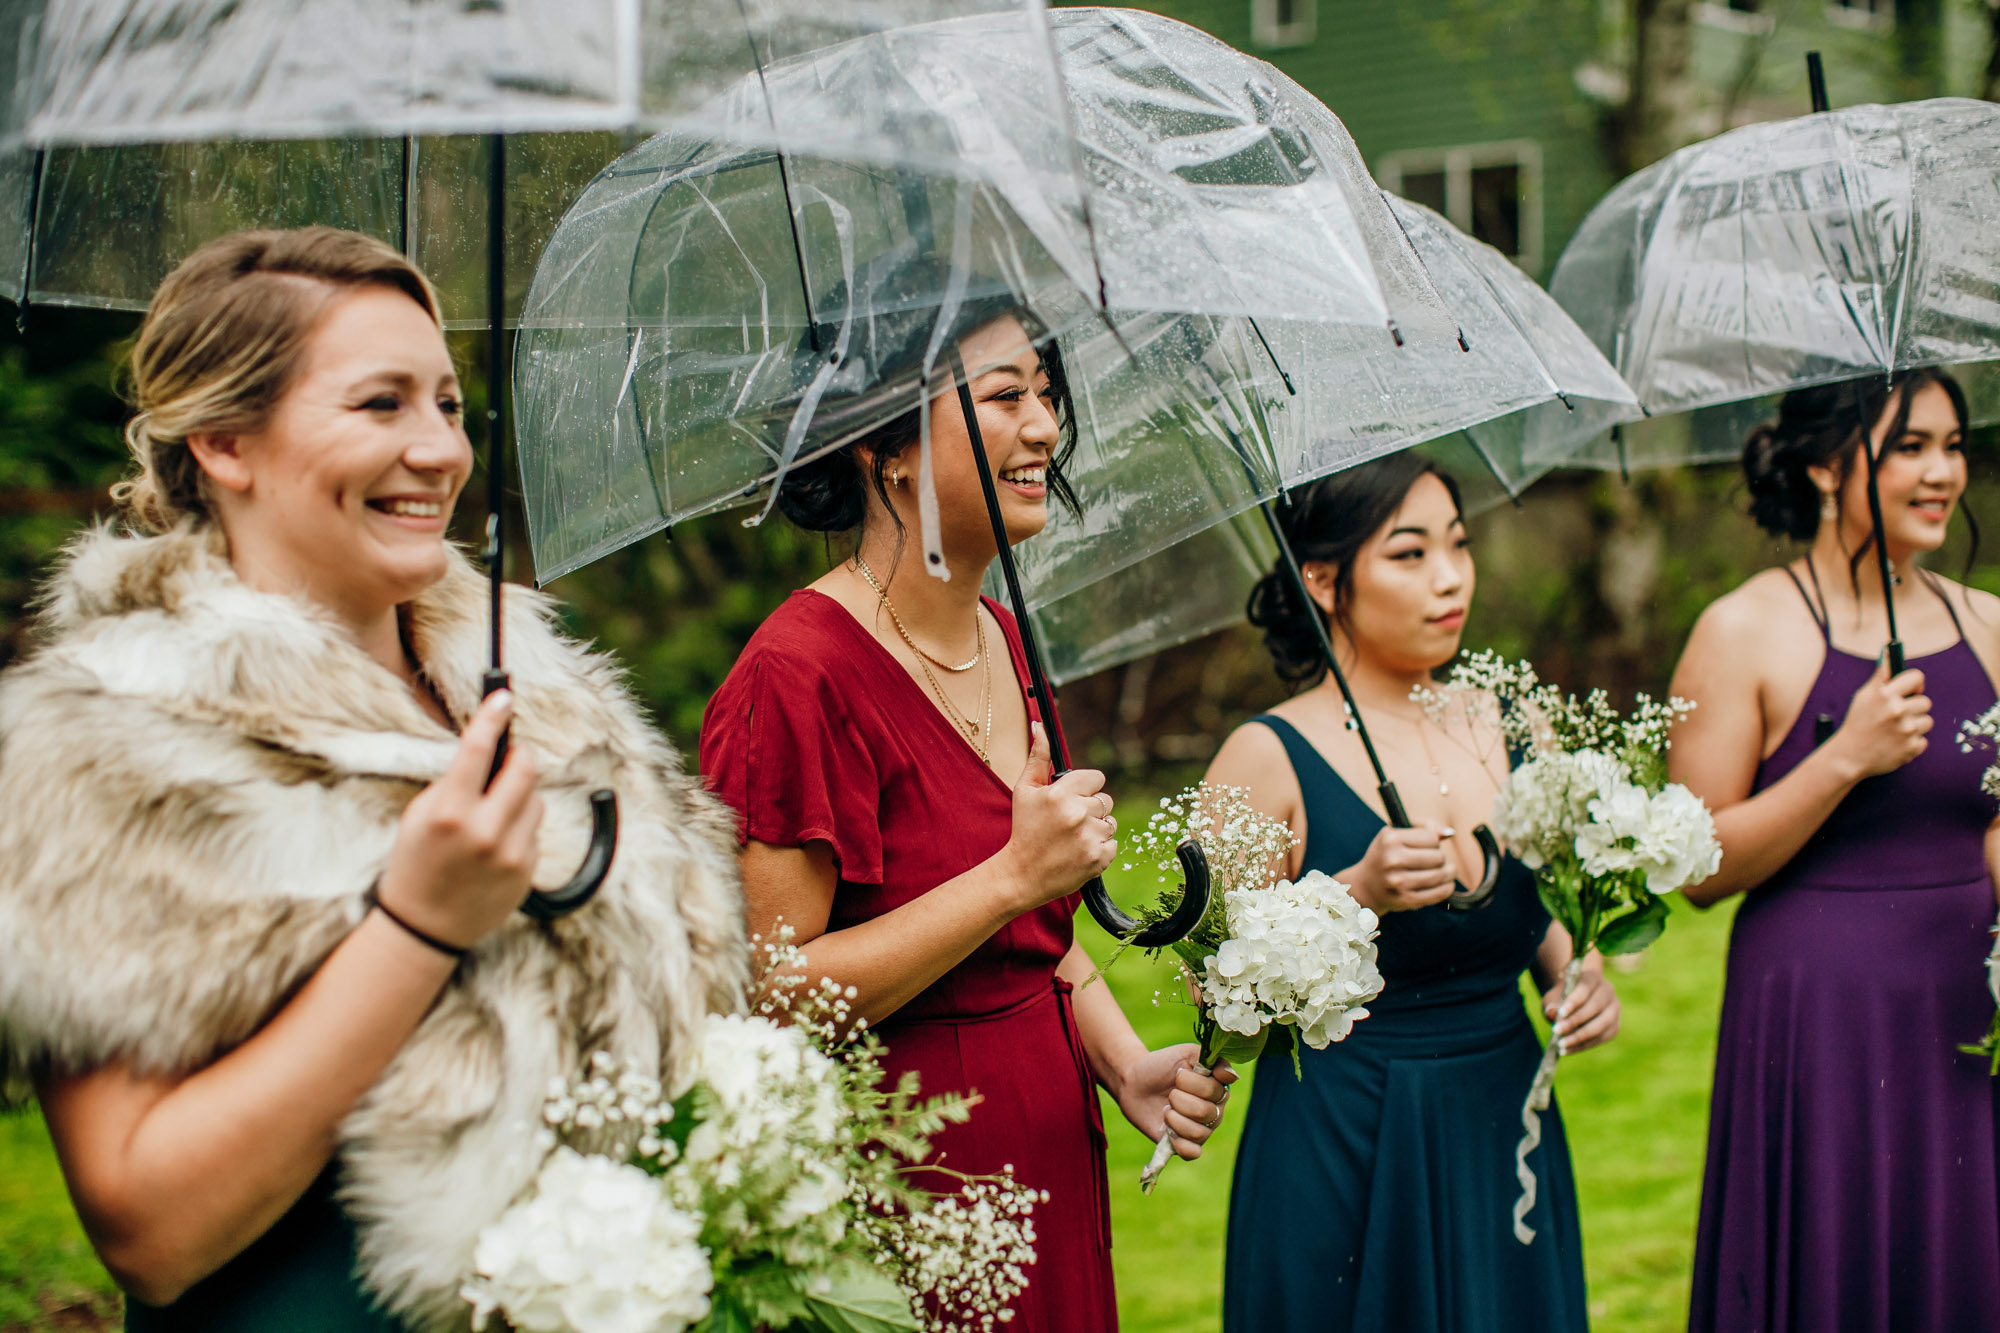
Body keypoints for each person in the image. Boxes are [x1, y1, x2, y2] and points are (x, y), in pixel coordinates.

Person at [0, 228, 746, 1330]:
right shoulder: (104, 742)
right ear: (223, 441)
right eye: (380, 404)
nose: (442, 450)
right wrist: (416, 925)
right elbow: (147, 1230)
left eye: (446, 403)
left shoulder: (547, 701)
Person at [699, 298, 1235, 1332]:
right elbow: (768, 994)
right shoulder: (796, 675)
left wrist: (1124, 1061)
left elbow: (1033, 944)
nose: (1044, 427)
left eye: (1045, 394)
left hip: (1048, 1148)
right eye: (1003, 397)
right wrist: (1007, 877)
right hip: (910, 1177)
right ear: (884, 449)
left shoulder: (1003, 636)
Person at [1208, 454, 1616, 1332]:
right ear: (1323, 579)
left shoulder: (1509, 718)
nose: (1450, 577)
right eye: (1409, 553)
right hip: (1342, 1133)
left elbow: (1534, 900)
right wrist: (1355, 891)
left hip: (1503, 1116)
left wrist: (1572, 969)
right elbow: (1220, 1007)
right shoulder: (1264, 755)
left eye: (1459, 545)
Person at [1674, 369, 2000, 1332]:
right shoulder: (1744, 630)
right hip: (1819, 1015)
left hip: (1967, 1005)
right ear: (1825, 465)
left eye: (1953, 444)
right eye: (1910, 446)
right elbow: (1693, 870)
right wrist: (1844, 760)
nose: (1943, 471)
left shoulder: (1989, 625)